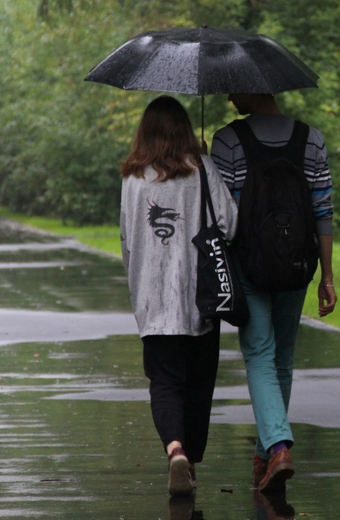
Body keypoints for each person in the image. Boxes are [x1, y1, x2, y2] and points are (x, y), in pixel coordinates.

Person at [210, 92, 337, 493]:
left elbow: (222, 214)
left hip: (251, 265)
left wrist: (205, 170)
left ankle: (280, 446)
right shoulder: (310, 138)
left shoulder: (228, 140)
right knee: (282, 355)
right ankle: (266, 453)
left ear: (254, 89)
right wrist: (328, 276)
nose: (229, 95)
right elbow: (323, 210)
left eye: (234, 88)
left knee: (259, 355)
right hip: (299, 264)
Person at [119, 95, 238, 497]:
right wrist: (207, 168)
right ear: (186, 129)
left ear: (145, 132)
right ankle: (191, 459)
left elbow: (127, 240)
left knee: (165, 383)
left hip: (152, 303)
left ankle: (175, 451)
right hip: (199, 299)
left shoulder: (133, 178)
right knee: (199, 384)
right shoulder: (202, 168)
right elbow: (229, 224)